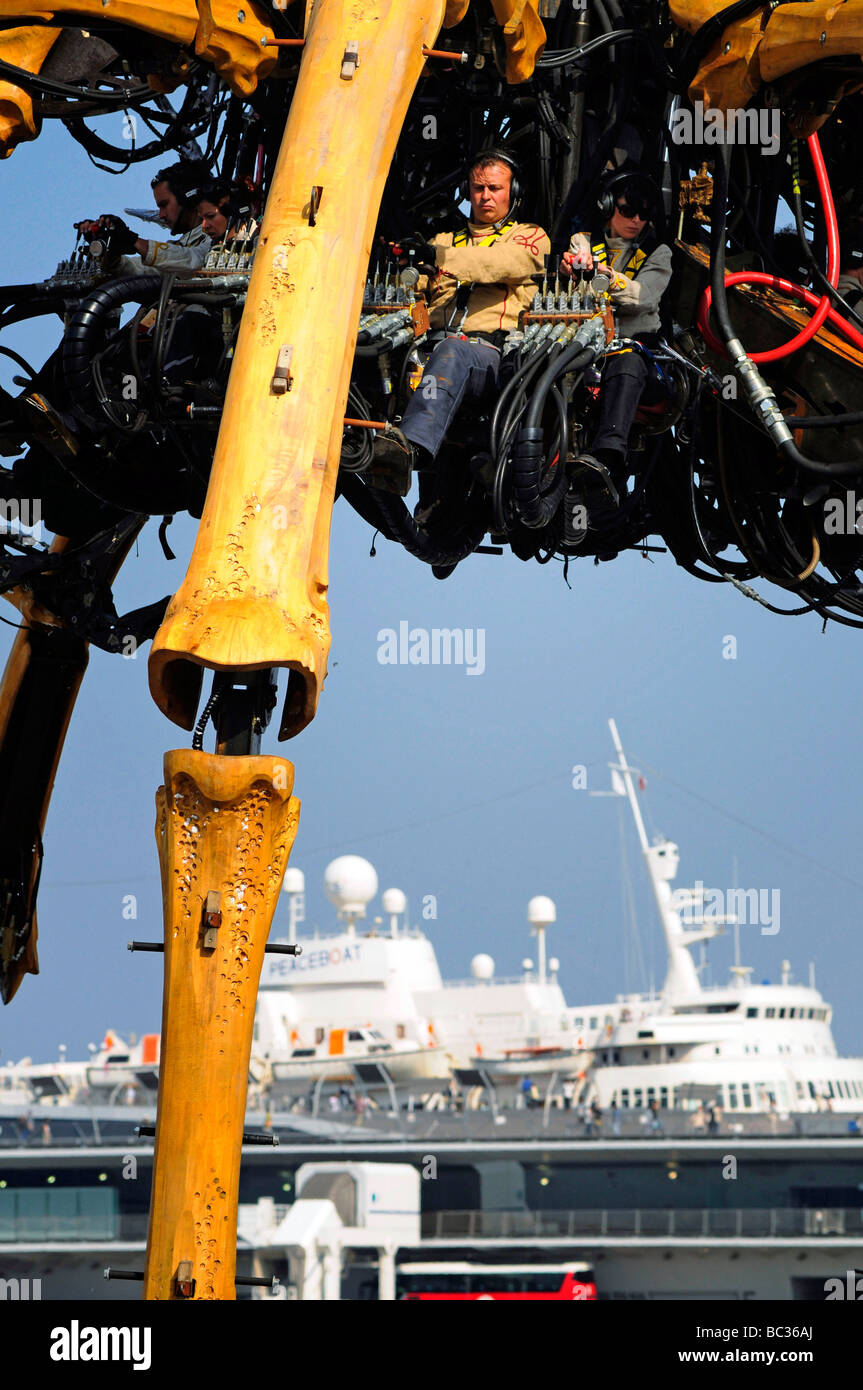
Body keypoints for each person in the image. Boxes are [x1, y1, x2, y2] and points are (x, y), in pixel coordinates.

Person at [372, 149, 550, 516]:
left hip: (490, 356)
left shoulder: (529, 236)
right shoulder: (442, 239)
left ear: (512, 192)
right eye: (478, 188)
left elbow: (502, 263)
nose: (485, 196)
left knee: (453, 351)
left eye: (495, 189)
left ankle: (412, 449)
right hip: (429, 348)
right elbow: (415, 284)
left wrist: (440, 259)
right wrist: (406, 265)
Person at [561, 166, 672, 524]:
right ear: (608, 206)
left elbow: (644, 298)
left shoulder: (658, 252)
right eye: (628, 211)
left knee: (626, 362)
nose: (636, 220)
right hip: (584, 346)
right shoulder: (582, 242)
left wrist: (604, 278)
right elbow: (574, 291)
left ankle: (607, 459)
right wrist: (568, 272)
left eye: (644, 214)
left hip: (635, 351)